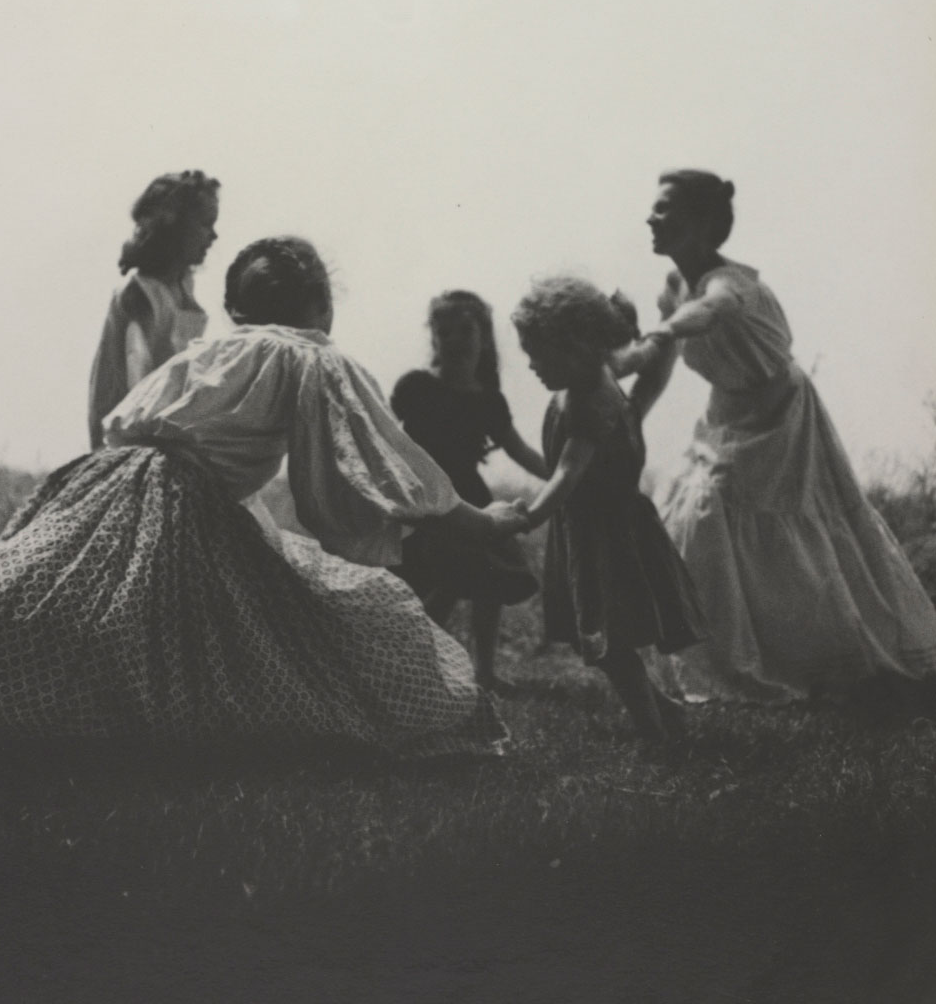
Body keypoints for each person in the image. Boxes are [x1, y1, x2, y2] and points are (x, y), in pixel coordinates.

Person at [0, 237, 526, 759]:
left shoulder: (214, 350)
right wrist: (483, 524)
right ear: (323, 305)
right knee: (289, 631)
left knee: (65, 602)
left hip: (96, 483)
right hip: (181, 499)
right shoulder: (308, 355)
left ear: (237, 307)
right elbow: (382, 465)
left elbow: (127, 422)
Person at [615, 169, 936, 702]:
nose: (651, 218)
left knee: (750, 518)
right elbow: (661, 362)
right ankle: (722, 658)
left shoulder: (732, 284)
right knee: (693, 515)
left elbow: (710, 312)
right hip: (726, 413)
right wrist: (630, 417)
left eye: (664, 209)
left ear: (700, 224)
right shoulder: (671, 288)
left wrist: (660, 333)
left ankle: (811, 658)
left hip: (781, 415)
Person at [511, 277, 702, 741]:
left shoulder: (588, 402)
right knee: (601, 639)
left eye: (537, 352)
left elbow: (567, 473)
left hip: (605, 533)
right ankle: (665, 711)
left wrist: (529, 516)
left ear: (575, 347)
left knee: (609, 643)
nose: (531, 364)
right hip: (598, 527)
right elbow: (647, 358)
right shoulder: (594, 379)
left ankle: (655, 734)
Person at [391, 291, 546, 692]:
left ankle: (485, 671)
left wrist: (564, 474)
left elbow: (520, 450)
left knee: (487, 582)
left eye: (466, 330)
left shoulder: (488, 400)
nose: (456, 340)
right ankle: (410, 665)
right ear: (434, 339)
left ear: (484, 337)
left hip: (471, 499)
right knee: (436, 584)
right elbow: (384, 437)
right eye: (445, 332)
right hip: (423, 499)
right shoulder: (416, 387)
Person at [88, 170, 220, 448]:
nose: (214, 235)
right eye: (205, 225)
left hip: (165, 421)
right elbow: (139, 366)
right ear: (175, 228)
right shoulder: (141, 293)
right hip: (130, 431)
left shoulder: (182, 287)